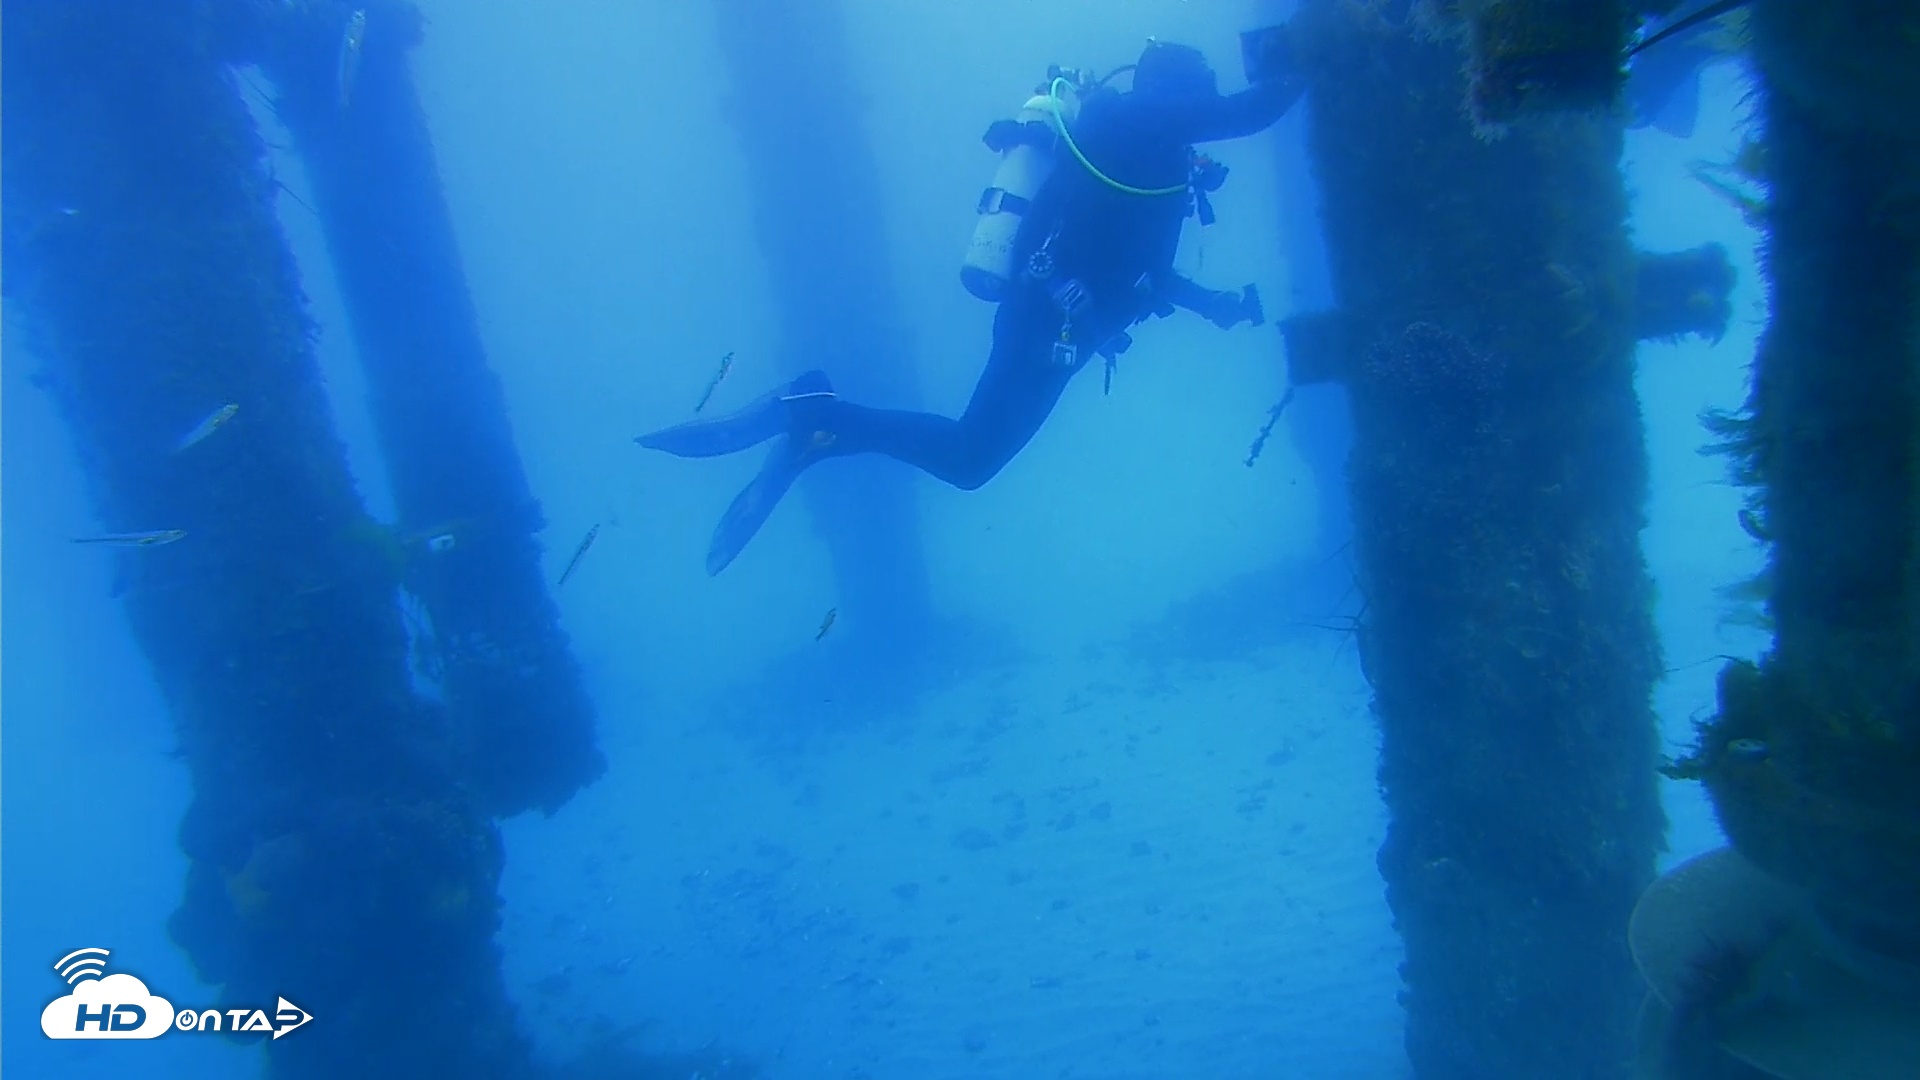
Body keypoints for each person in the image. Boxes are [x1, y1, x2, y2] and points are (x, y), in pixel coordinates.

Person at [636, 39, 1304, 575]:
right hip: (1044, 325)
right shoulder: (1131, 122)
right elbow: (1252, 112)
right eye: (1195, 99)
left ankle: (819, 430)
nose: (1200, 117)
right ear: (1170, 93)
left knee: (971, 460)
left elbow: (1141, 268)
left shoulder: (1147, 153)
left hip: (1064, 328)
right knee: (969, 460)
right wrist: (1336, 39)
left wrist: (1209, 303)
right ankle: (815, 416)